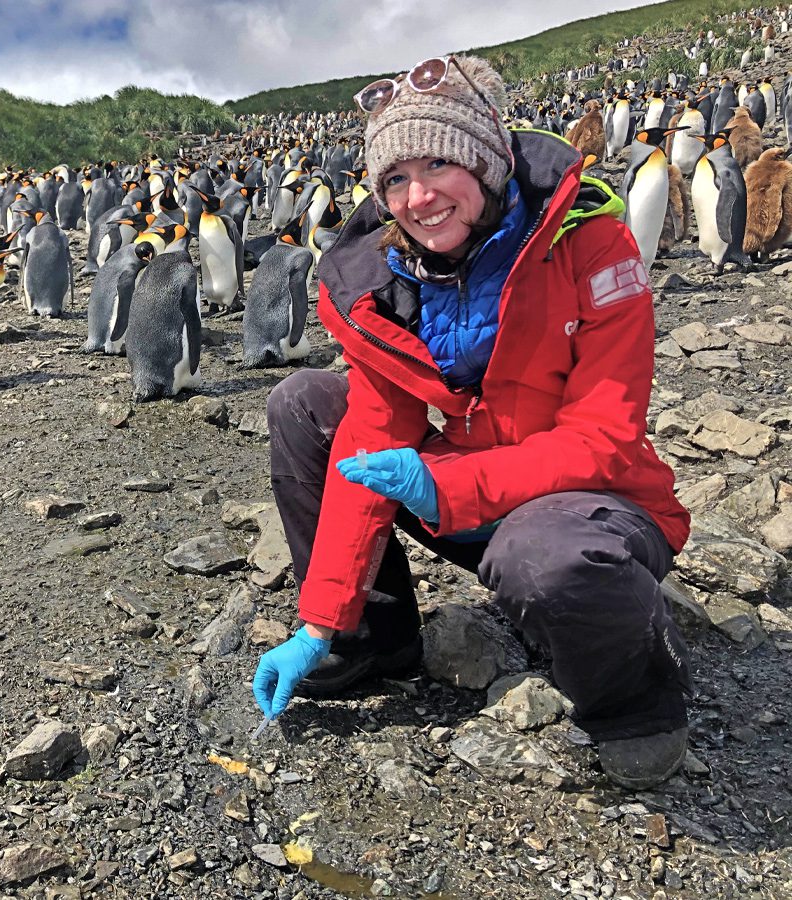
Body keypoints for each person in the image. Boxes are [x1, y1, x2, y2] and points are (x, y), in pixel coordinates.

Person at [251, 56, 693, 790]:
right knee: (302, 402)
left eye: (438, 163)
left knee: (544, 555)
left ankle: (637, 698)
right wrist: (322, 619)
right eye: (395, 178)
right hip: (472, 496)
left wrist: (445, 487)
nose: (418, 197)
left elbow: (604, 438)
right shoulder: (392, 281)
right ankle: (373, 640)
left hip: (595, 505)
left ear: (485, 162)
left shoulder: (588, 244)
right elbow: (371, 437)